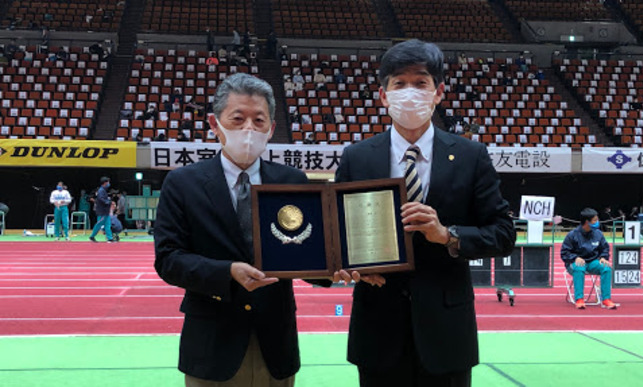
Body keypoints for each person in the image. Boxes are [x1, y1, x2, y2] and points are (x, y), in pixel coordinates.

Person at [333, 39, 515, 387]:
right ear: (383, 96)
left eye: (420, 82)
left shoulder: (470, 156)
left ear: (439, 92)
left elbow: (503, 234)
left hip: (447, 333)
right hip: (377, 331)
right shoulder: (357, 157)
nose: (410, 92)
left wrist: (447, 235)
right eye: (399, 83)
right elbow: (338, 236)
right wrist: (344, 264)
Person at [154, 73, 328, 386]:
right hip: (211, 345)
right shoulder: (183, 183)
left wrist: (339, 268)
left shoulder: (292, 182)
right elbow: (168, 260)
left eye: (259, 120)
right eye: (238, 119)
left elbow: (309, 254)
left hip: (275, 342)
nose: (249, 129)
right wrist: (227, 272)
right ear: (214, 124)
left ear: (271, 128)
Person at [561, 208, 618, 310]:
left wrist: (604, 257)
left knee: (606, 268)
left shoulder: (598, 234)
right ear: (587, 222)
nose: (597, 222)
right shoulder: (572, 235)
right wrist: (575, 257)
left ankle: (606, 299)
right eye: (595, 220)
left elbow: (604, 248)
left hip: (592, 262)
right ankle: (579, 299)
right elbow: (564, 253)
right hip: (575, 263)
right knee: (579, 268)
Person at [89, 177, 114, 243]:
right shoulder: (101, 190)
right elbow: (101, 199)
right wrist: (108, 202)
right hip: (102, 211)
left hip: (105, 211)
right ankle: (92, 236)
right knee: (99, 224)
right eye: (108, 182)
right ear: (105, 183)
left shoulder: (103, 190)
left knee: (107, 225)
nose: (108, 183)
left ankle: (110, 238)